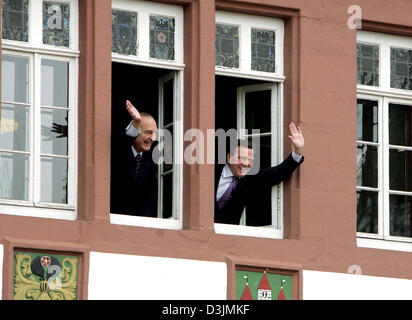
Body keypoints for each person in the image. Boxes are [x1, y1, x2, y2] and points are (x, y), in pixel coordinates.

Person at [214, 122, 305, 225]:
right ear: (229, 157)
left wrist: (298, 151)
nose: (246, 164)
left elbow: (276, 173)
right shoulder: (211, 170)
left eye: (250, 160)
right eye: (242, 158)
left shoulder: (248, 180)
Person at [110, 100, 158, 217]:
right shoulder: (119, 146)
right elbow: (123, 140)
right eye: (148, 132)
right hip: (114, 216)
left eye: (154, 133)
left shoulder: (153, 157)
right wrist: (136, 122)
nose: (152, 138)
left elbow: (150, 196)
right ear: (137, 131)